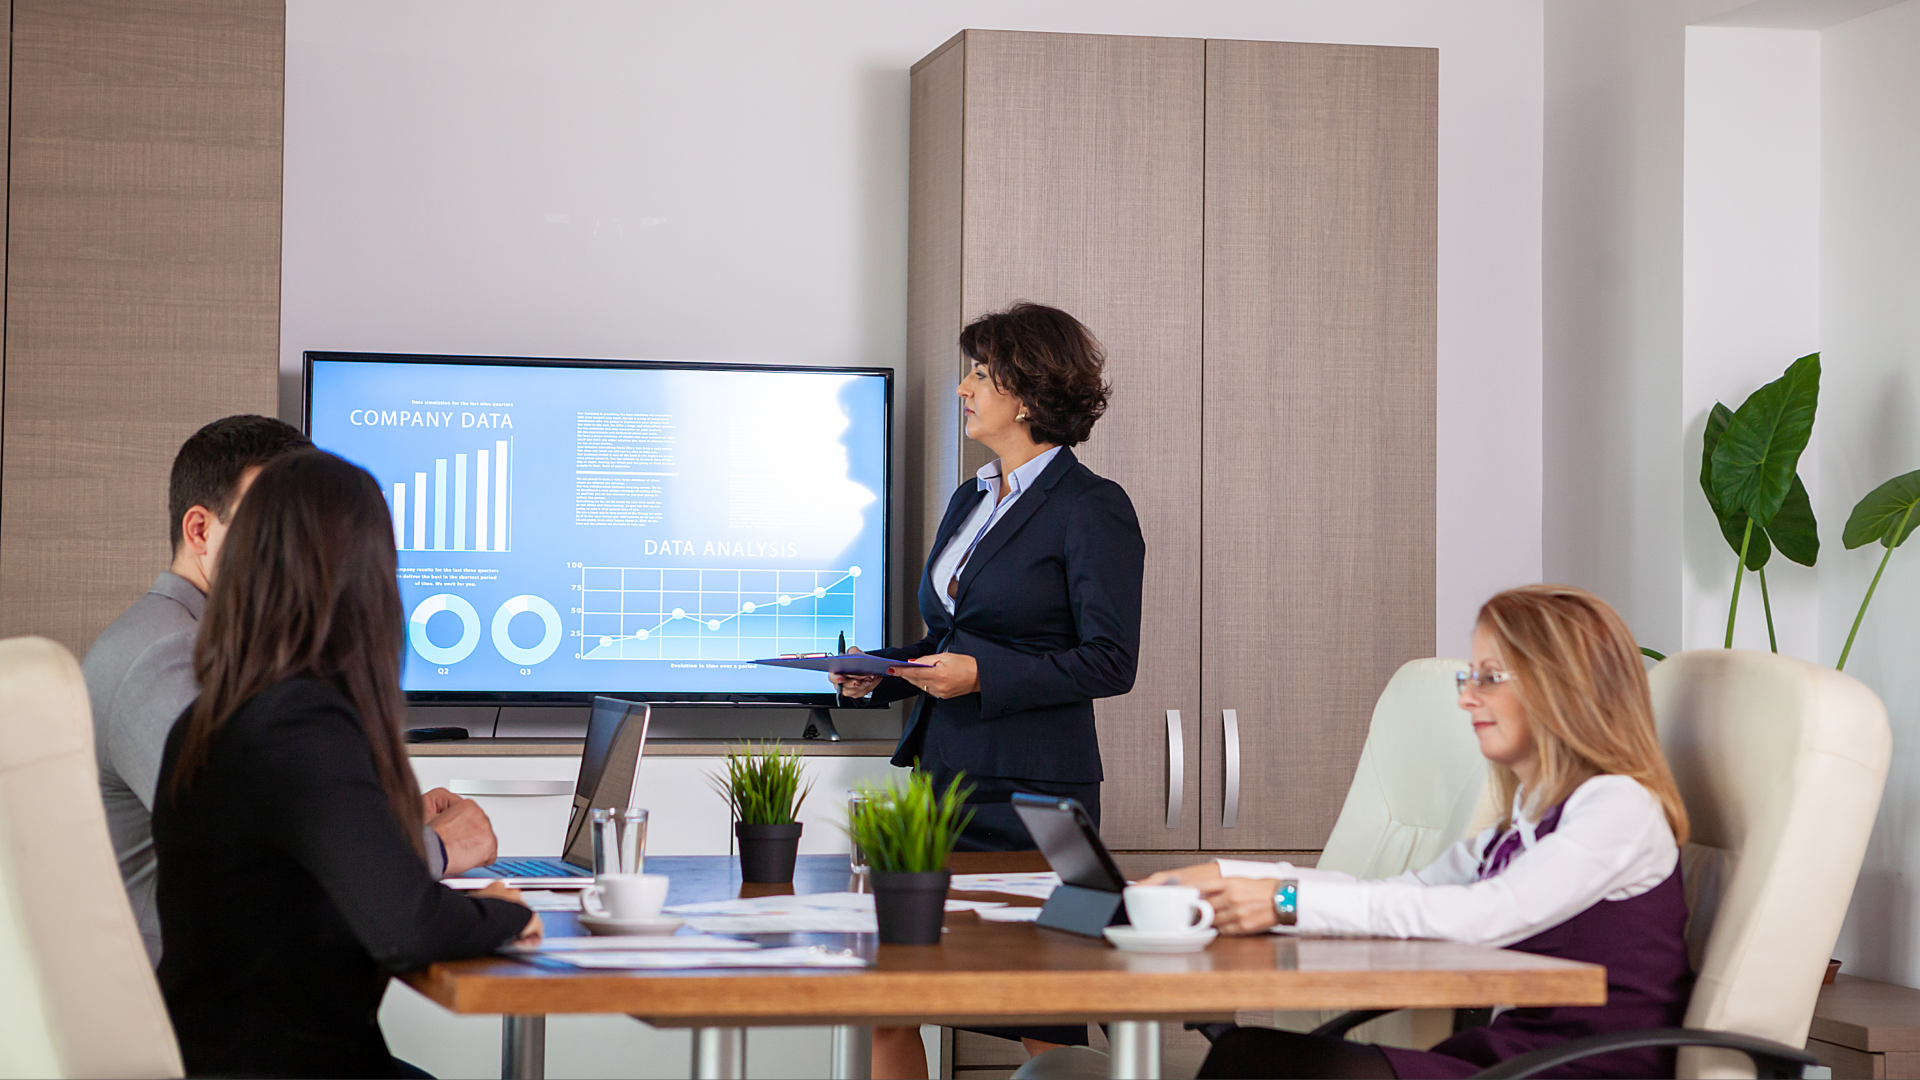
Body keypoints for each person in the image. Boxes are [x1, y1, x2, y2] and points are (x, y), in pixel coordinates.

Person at [1145, 585, 1693, 1079]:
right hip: (1513, 1057)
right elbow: (1401, 891)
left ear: (1564, 688)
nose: (1466, 698)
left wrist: (1285, 901)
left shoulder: (1618, 805)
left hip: (1578, 1070)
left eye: (1490, 677)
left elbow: (1486, 917)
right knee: (1247, 1056)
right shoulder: (1526, 820)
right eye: (1468, 676)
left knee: (1258, 1066)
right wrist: (1229, 875)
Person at [151, 449, 540, 1078]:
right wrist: (510, 910)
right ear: (364, 577)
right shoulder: (301, 721)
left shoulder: (217, 719)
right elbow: (408, 927)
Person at [833, 302, 1146, 1078]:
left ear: (1029, 394)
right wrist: (877, 671)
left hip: (1032, 801)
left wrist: (985, 675)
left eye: (981, 372)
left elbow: (1111, 661)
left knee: (1040, 1018)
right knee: (890, 1002)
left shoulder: (1090, 507)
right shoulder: (970, 498)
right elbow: (950, 642)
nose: (965, 387)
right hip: (944, 787)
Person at [81, 414, 497, 965]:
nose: (293, 550)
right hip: (183, 1005)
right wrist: (436, 848)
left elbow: (265, 823)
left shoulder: (204, 645)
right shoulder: (169, 659)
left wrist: (372, 822)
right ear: (200, 530)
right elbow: (256, 856)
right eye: (268, 527)